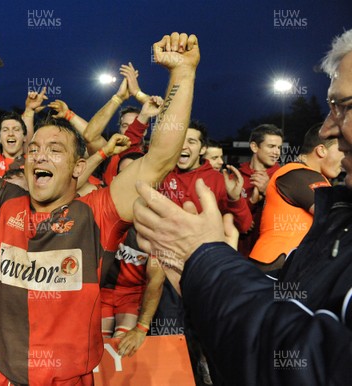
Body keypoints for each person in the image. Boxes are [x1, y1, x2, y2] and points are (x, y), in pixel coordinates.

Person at [0, 31, 199, 385]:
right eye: (33, 149)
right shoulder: (5, 203)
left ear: (79, 167)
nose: (39, 155)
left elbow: (159, 159)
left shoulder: (99, 213)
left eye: (55, 149)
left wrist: (183, 75)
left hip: (67, 378)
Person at [131, 28, 352, 385]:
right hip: (183, 271)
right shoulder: (327, 200)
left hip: (214, 267)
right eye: (331, 107)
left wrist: (228, 217)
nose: (327, 129)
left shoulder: (215, 179)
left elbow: (245, 227)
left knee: (193, 340)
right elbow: (279, 327)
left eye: (345, 106)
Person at [249, 124, 344, 270]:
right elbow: (336, 216)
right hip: (276, 268)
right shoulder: (298, 174)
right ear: (321, 150)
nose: (345, 158)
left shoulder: (308, 175)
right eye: (341, 150)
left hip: (288, 266)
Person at [158, 120, 252, 233]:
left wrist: (235, 199)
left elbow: (244, 226)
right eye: (179, 140)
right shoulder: (162, 174)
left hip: (202, 249)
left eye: (191, 142)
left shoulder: (218, 180)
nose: (183, 146)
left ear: (202, 149)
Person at [238, 124, 284, 257]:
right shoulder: (235, 177)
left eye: (279, 147)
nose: (277, 152)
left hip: (270, 256)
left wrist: (268, 190)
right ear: (254, 147)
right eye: (271, 146)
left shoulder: (283, 176)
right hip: (239, 253)